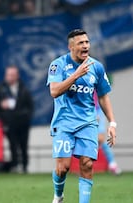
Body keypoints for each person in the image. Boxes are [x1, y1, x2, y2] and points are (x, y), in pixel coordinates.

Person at [47, 29, 117, 203]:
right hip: (64, 123)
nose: (85, 45)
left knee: (87, 164)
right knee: (63, 168)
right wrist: (76, 75)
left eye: (87, 42)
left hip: (87, 123)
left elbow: (102, 96)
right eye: (81, 43)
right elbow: (54, 91)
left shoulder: (97, 67)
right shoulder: (58, 65)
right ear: (71, 47)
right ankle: (58, 195)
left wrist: (112, 123)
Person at [0, 65, 34, 173]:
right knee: (12, 144)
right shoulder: (0, 88)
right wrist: (0, 104)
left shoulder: (24, 88)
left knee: (23, 145)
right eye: (8, 75)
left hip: (23, 122)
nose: (10, 77)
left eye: (12, 75)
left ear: (17, 76)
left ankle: (24, 166)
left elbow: (30, 106)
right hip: (9, 122)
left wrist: (26, 117)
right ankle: (14, 165)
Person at [94, 92, 121, 175]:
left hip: (96, 109)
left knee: (101, 139)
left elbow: (102, 96)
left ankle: (112, 163)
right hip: (82, 110)